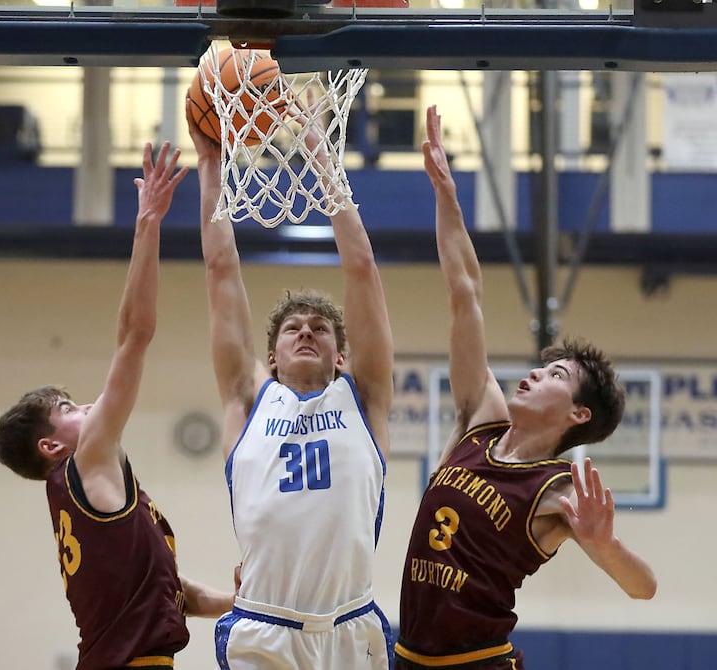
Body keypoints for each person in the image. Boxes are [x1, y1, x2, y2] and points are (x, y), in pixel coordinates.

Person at [394, 106, 658, 670]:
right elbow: (465, 291)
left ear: (578, 417)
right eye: (543, 368)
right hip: (409, 657)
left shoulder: (558, 489)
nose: (536, 373)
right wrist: (446, 193)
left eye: (556, 376)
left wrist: (605, 545)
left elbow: (644, 589)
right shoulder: (480, 419)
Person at [0, 142, 234, 670]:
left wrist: (243, 605)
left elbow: (172, 592)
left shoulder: (91, 493)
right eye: (67, 406)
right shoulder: (86, 461)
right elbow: (134, 334)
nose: (86, 404)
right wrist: (148, 223)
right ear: (51, 444)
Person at [186, 98, 395, 669]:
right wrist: (211, 164)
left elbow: (361, 270)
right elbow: (221, 272)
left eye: (321, 329)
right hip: (266, 627)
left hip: (352, 627)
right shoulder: (248, 399)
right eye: (293, 330)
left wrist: (322, 159)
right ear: (270, 357)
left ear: (342, 354)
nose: (306, 333)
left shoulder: (364, 396)